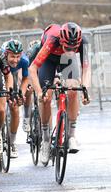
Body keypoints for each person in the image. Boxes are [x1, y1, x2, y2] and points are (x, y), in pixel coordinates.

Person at [28, 23, 91, 165]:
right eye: (68, 47)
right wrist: (39, 92)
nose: (71, 50)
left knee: (73, 89)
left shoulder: (83, 42)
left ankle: (72, 136)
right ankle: (45, 140)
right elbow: (32, 69)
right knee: (46, 97)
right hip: (49, 60)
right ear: (61, 41)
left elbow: (86, 69)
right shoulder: (52, 40)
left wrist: (85, 90)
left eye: (74, 48)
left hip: (66, 62)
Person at [1, 39, 30, 158]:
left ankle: (12, 143)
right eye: (12, 56)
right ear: (6, 54)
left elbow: (26, 78)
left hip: (12, 76)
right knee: (0, 104)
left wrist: (21, 94)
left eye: (18, 56)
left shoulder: (24, 61)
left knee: (15, 108)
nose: (15, 60)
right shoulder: (0, 59)